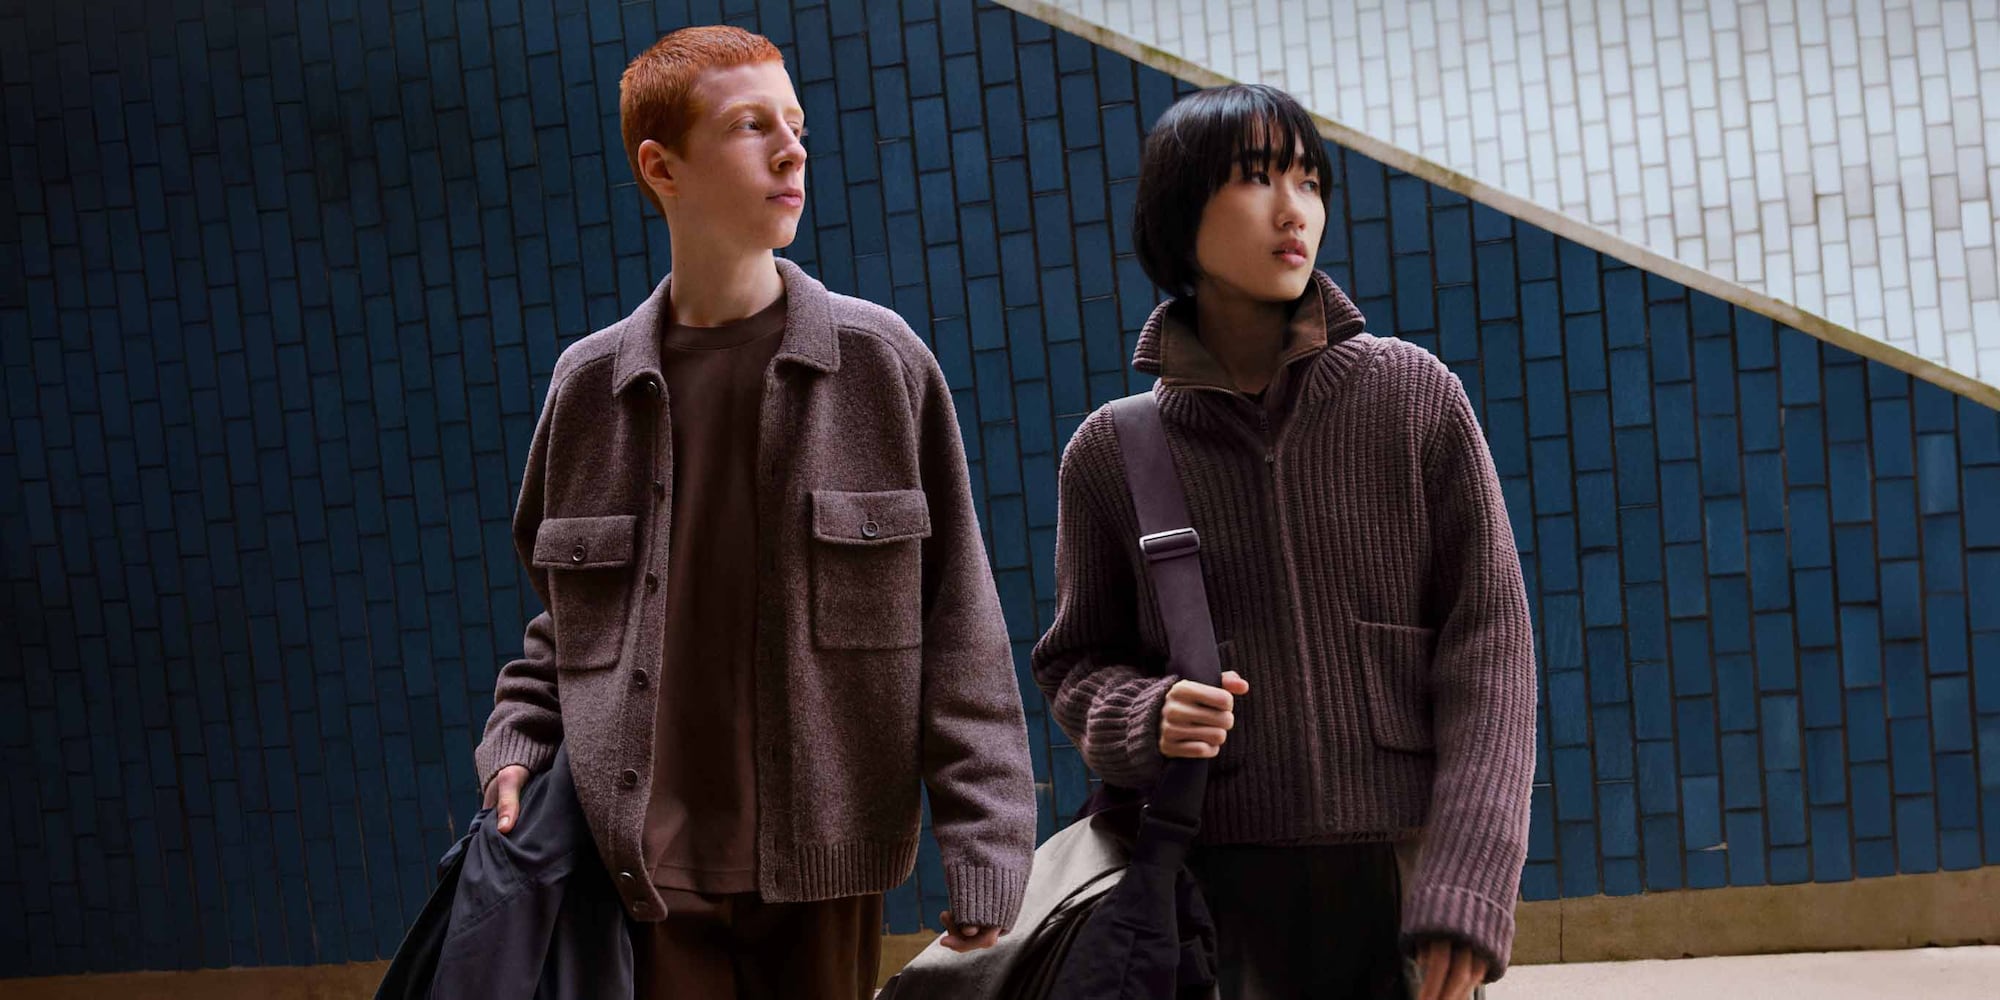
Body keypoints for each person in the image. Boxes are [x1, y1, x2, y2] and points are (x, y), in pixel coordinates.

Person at [472, 25, 1036, 1000]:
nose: (791, 151)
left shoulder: (880, 365)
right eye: (750, 126)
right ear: (662, 167)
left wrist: (986, 841)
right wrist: (516, 742)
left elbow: (960, 624)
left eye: (796, 125)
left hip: (826, 865)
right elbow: (565, 623)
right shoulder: (589, 388)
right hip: (635, 871)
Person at [1033, 83, 1536, 1000]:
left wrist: (1470, 878)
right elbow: (1076, 665)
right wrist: (1146, 716)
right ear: (1180, 214)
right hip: (1207, 897)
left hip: (1400, 878)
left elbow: (1491, 645)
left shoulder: (1412, 396)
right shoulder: (1113, 452)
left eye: (1308, 181)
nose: (1293, 208)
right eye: (1256, 178)